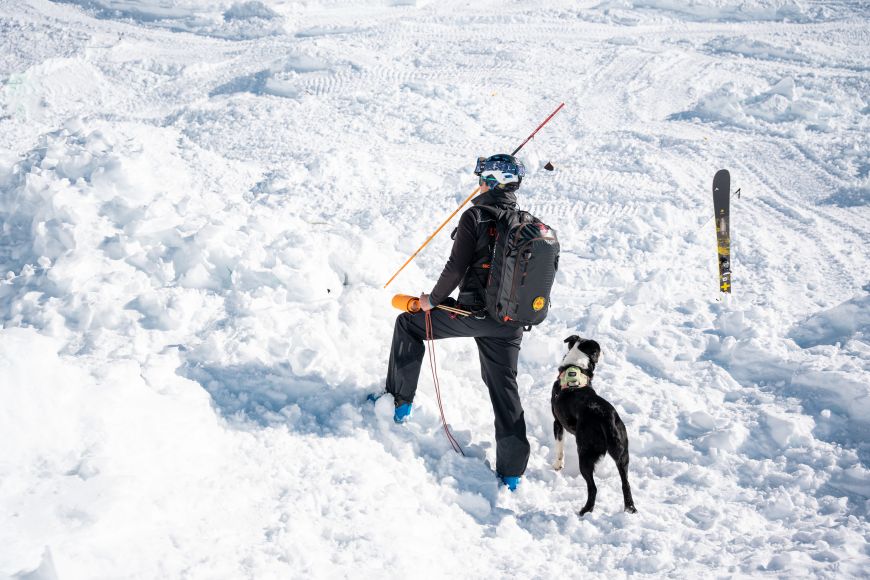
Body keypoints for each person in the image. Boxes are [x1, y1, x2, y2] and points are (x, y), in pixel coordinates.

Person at [384, 154, 530, 491]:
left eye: (482, 178)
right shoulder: (526, 221)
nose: (478, 183)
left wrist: (430, 301)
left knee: (409, 324)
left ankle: (397, 405)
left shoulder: (476, 216)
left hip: (473, 314)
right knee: (504, 388)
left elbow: (455, 268)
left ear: (492, 181)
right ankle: (511, 475)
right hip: (509, 323)